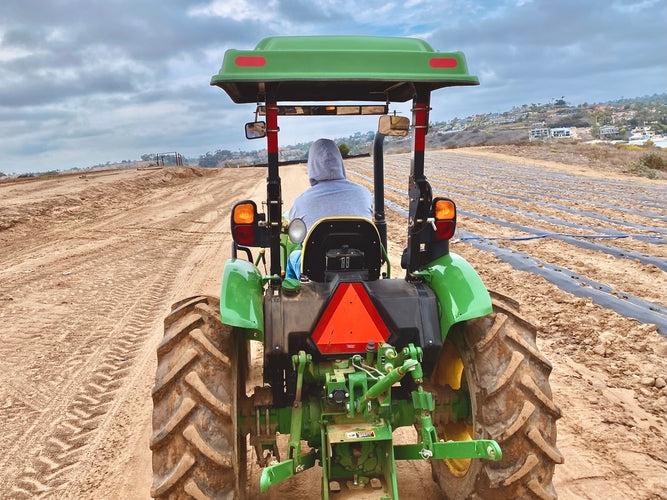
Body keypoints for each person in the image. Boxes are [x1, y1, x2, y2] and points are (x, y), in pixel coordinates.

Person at [286, 138, 373, 279]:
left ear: (312, 166)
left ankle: (292, 295)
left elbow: (297, 236)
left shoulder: (300, 202)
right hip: (363, 268)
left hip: (316, 274)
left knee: (294, 256)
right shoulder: (364, 193)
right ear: (340, 162)